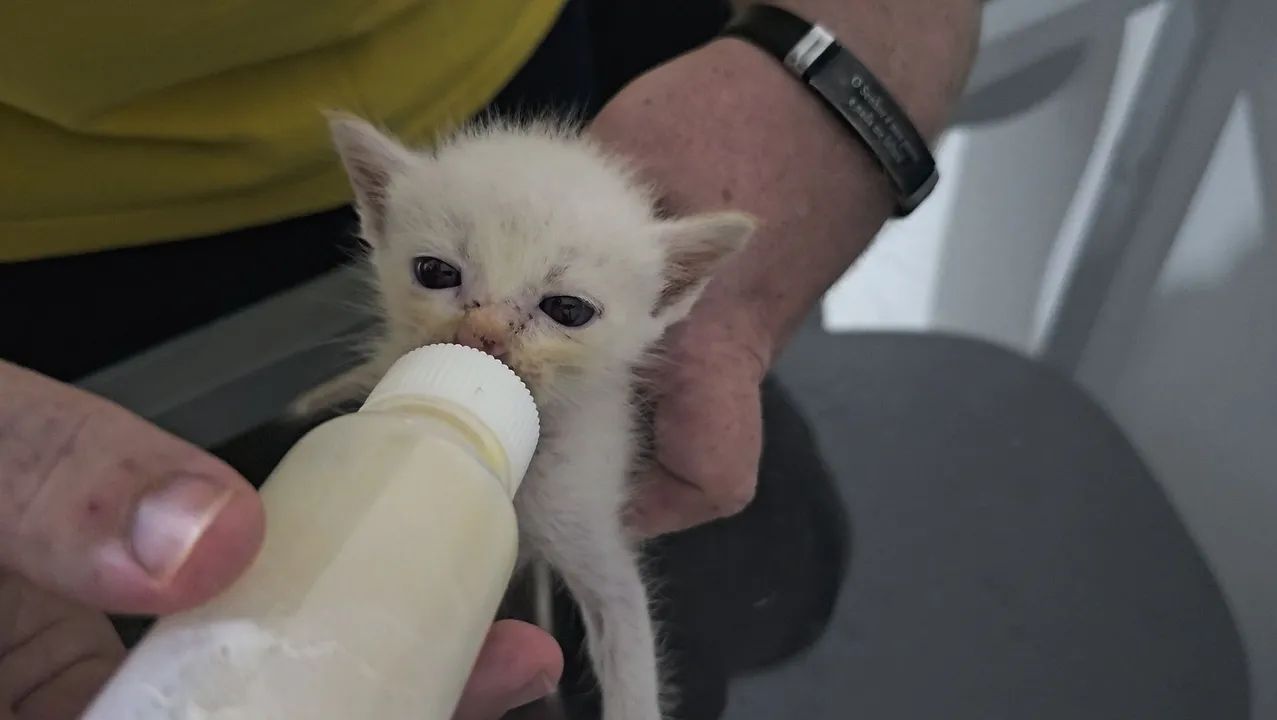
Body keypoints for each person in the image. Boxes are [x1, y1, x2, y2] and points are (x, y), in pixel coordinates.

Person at [0, 0, 981, 717]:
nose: (483, 337)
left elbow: (610, 592)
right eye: (438, 278)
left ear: (673, 293)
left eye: (558, 311)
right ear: (373, 216)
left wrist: (845, 82)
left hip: (526, 58)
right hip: (59, 255)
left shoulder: (611, 314)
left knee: (747, 558)